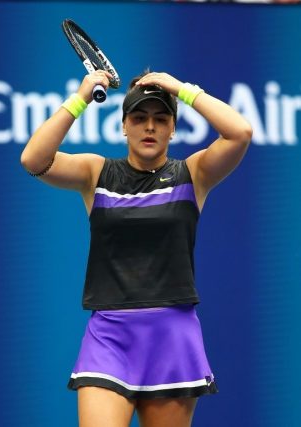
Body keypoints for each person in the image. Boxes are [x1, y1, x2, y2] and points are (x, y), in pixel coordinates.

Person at [21, 70, 252, 427]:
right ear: (123, 125)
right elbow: (33, 159)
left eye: (161, 119)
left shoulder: (194, 173)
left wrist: (181, 89)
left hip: (172, 337)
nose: (150, 127)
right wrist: (80, 97)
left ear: (172, 128)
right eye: (139, 118)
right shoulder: (95, 173)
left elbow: (241, 132)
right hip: (109, 335)